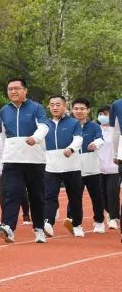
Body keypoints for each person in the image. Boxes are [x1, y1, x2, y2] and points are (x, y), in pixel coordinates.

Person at [0, 77, 50, 244]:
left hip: (34, 159)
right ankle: (8, 227)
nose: (13, 91)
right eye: (10, 89)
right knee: (12, 193)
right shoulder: (4, 110)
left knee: (36, 196)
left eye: (17, 88)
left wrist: (36, 137)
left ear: (25, 90)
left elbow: (44, 126)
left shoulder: (36, 108)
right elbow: (2, 134)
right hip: (12, 159)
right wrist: (2, 156)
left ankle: (39, 228)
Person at [42, 95, 84, 237]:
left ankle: (76, 224)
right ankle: (48, 223)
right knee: (50, 196)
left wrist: (71, 148)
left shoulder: (74, 123)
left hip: (71, 166)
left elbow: (79, 138)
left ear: (65, 107)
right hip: (51, 167)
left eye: (58, 104)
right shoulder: (45, 125)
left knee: (75, 197)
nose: (54, 107)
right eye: (52, 104)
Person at [72, 99, 105, 233]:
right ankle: (76, 224)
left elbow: (100, 139)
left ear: (88, 110)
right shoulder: (69, 126)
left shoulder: (94, 126)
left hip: (92, 168)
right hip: (74, 168)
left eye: (82, 108)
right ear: (72, 110)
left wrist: (95, 144)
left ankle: (99, 222)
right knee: (75, 198)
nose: (79, 111)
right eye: (76, 108)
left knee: (96, 196)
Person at [97, 105, 120, 230]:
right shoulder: (96, 129)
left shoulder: (116, 129)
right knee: (101, 194)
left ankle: (113, 218)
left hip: (114, 167)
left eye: (106, 114)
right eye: (100, 113)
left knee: (112, 192)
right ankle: (111, 212)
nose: (102, 116)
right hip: (98, 168)